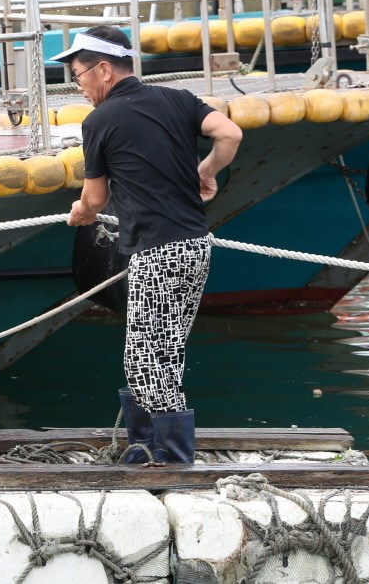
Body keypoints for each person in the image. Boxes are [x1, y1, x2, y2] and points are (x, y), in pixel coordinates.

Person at [56, 26, 243, 464]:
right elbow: (230, 134)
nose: (77, 84)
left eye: (78, 74)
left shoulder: (98, 122)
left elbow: (96, 199)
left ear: (103, 69)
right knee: (166, 351)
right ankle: (147, 447)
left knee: (143, 359)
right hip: (196, 246)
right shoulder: (177, 99)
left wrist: (82, 213)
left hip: (158, 252)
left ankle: (173, 456)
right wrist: (207, 171)